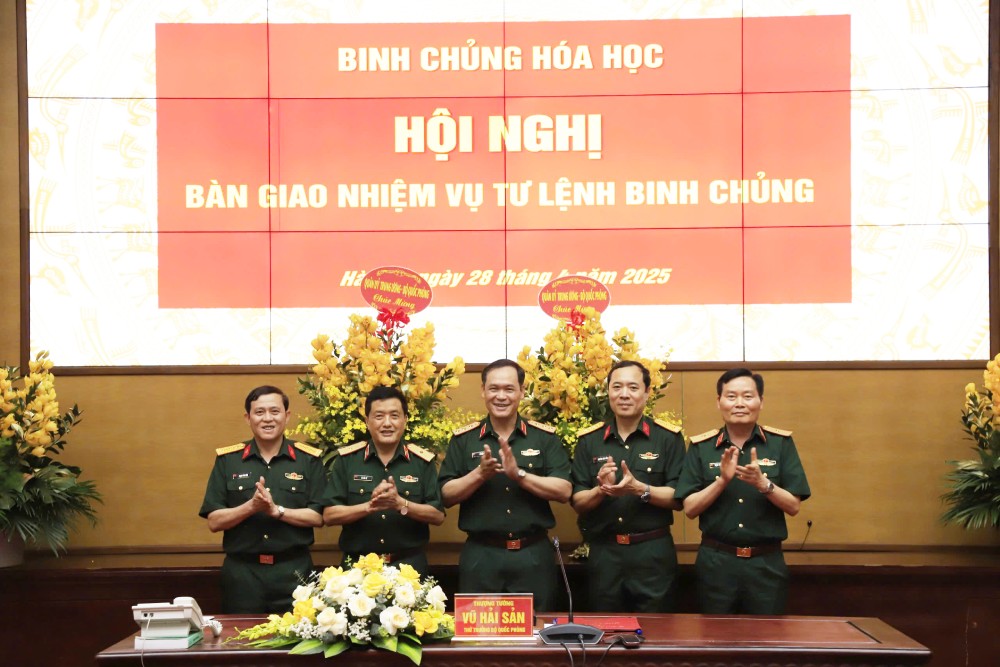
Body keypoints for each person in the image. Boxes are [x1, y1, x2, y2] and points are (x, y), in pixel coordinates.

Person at [675, 368, 811, 614]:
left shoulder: (780, 444)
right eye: (731, 396)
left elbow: (793, 506)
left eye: (748, 396)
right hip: (716, 562)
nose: (739, 403)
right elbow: (690, 509)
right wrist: (721, 481)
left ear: (761, 401)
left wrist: (764, 484)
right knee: (714, 634)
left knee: (768, 635)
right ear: (719, 402)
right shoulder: (701, 447)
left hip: (766, 563)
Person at [438, 359, 572, 611]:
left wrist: (519, 475)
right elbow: (445, 495)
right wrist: (479, 474)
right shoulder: (464, 439)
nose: (501, 396)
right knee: (478, 630)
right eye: (494, 388)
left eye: (509, 389)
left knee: (537, 631)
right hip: (481, 556)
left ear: (522, 391)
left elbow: (564, 490)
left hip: (533, 556)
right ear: (483, 391)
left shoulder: (544, 438)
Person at [199, 385, 329, 613]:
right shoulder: (228, 460)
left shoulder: (308, 459)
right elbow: (214, 521)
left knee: (298, 635)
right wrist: (251, 507)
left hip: (294, 572)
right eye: (259, 412)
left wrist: (277, 511)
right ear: (248, 418)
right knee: (241, 635)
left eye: (274, 411)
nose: (267, 418)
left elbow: (318, 517)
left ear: (287, 416)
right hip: (242, 575)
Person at [570, 360, 685, 612]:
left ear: (647, 393)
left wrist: (639, 488)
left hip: (652, 552)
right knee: (604, 626)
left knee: (657, 627)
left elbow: (679, 498)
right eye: (617, 387)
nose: (624, 394)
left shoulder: (668, 438)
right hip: (605, 553)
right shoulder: (589, 440)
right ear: (608, 392)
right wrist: (600, 490)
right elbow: (577, 501)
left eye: (633, 387)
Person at [324, 385, 444, 574]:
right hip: (357, 568)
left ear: (405, 419)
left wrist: (401, 504)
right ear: (367, 421)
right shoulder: (347, 460)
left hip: (409, 568)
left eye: (394, 416)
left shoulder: (422, 462)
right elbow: (329, 515)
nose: (387, 423)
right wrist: (368, 507)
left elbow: (437, 515)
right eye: (379, 416)